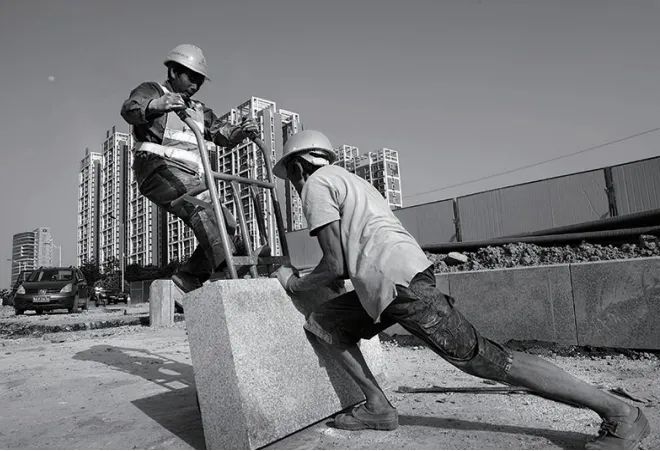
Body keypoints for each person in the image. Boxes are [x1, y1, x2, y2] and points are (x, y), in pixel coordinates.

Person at [272, 129, 650, 450]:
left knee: (490, 361)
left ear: (298, 166)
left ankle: (620, 413)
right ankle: (377, 406)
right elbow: (351, 253)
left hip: (397, 287)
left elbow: (335, 262)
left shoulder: (316, 185)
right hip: (395, 282)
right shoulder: (349, 180)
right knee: (325, 320)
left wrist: (294, 281)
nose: (293, 183)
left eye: (291, 175)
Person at [121, 44, 260, 293]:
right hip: (156, 168)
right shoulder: (154, 90)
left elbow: (223, 134)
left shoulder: (198, 109)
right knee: (203, 206)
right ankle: (228, 266)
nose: (195, 84)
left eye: (200, 80)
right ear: (173, 71)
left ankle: (190, 276)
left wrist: (242, 131)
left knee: (225, 221)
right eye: (191, 77)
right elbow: (130, 108)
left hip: (188, 175)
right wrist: (157, 105)